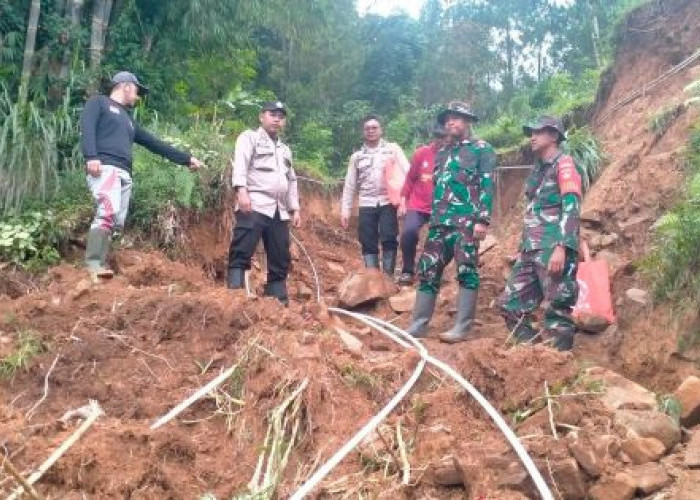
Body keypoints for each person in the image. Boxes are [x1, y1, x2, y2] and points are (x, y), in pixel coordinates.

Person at [80, 71, 202, 279]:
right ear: (125, 86)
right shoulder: (99, 103)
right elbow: (87, 127)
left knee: (116, 222)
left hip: (124, 173)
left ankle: (102, 261)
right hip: (105, 167)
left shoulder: (129, 121)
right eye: (136, 90)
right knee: (107, 212)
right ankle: (93, 264)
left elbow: (154, 143)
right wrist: (91, 156)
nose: (137, 96)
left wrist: (186, 159)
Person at [406, 102, 496, 343]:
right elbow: (437, 187)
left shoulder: (482, 149)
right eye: (447, 119)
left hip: (466, 223)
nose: (450, 122)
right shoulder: (442, 152)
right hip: (439, 222)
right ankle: (418, 325)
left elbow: (487, 185)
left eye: (456, 118)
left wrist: (482, 220)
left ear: (468, 121)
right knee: (428, 270)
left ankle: (462, 328)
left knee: (466, 269)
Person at [497, 116, 582, 351]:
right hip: (531, 249)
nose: (532, 137)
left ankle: (560, 367)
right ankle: (534, 354)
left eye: (538, 132)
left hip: (552, 248)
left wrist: (562, 247)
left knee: (557, 311)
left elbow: (572, 206)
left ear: (554, 136)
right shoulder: (539, 169)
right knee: (510, 305)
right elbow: (534, 211)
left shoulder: (564, 164)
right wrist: (521, 248)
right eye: (531, 132)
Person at [228, 101, 301, 305]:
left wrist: (294, 208)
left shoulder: (285, 149)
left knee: (280, 255)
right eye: (272, 114)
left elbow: (291, 179)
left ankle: (277, 300)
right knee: (243, 247)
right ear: (262, 116)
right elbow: (240, 164)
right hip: (255, 203)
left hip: (279, 209)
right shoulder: (249, 138)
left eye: (281, 116)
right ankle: (234, 294)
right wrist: (241, 191)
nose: (277, 119)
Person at [340, 115, 410, 276]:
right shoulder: (357, 157)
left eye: (374, 128)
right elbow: (350, 185)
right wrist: (345, 210)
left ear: (381, 130)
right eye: (367, 128)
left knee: (389, 237)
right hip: (366, 203)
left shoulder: (392, 150)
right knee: (367, 240)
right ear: (363, 132)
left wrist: (405, 200)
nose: (371, 131)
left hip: (388, 201)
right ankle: (372, 279)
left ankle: (388, 278)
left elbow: (408, 172)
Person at [397, 123, 448, 285]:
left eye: (444, 137)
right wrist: (403, 201)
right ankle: (407, 270)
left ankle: (429, 269)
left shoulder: (453, 155)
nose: (441, 141)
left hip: (441, 206)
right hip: (418, 204)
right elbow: (410, 178)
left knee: (437, 239)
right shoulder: (421, 153)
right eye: (438, 137)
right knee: (408, 233)